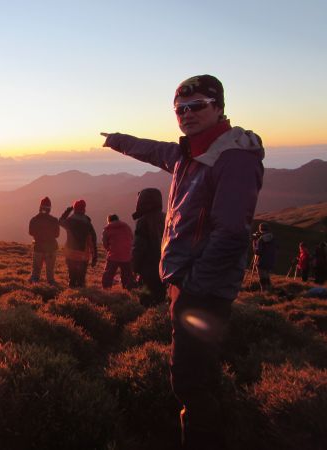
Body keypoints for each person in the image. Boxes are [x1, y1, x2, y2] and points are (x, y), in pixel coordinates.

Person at [102, 74, 264, 450]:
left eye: (197, 107)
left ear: (219, 107)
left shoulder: (233, 159)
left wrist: (193, 283)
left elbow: (231, 233)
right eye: (180, 109)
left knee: (189, 378)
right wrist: (117, 140)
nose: (186, 115)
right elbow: (154, 150)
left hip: (202, 287)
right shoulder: (190, 153)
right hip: (188, 282)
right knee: (197, 373)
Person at [131, 188, 166, 306]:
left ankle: (145, 322)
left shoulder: (143, 221)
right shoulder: (166, 217)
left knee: (146, 302)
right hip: (165, 269)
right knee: (161, 301)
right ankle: (158, 323)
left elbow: (139, 247)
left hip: (148, 271)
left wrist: (134, 268)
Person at [59, 200, 97, 288]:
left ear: (74, 208)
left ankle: (71, 293)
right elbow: (92, 240)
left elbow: (60, 221)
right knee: (81, 278)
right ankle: (81, 291)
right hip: (83, 255)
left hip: (70, 252)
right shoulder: (87, 223)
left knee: (72, 276)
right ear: (84, 209)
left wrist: (68, 210)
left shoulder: (69, 221)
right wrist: (94, 257)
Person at [28, 197, 60, 284]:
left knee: (36, 271)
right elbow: (57, 235)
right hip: (51, 249)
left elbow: (30, 232)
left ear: (40, 207)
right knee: (50, 273)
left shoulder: (34, 219)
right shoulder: (54, 220)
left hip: (38, 248)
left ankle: (34, 287)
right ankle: (52, 290)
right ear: (49, 208)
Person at [101, 214, 134, 289]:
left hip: (114, 254)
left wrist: (108, 249)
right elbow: (131, 237)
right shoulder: (126, 226)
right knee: (127, 273)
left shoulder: (108, 228)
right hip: (126, 254)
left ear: (109, 220)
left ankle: (106, 287)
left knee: (109, 273)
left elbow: (105, 242)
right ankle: (128, 288)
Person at [252, 222, 277, 292]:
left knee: (262, 277)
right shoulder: (273, 238)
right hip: (271, 261)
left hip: (261, 261)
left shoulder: (261, 239)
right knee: (267, 276)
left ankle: (264, 291)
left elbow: (257, 252)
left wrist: (254, 243)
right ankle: (269, 290)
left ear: (260, 229)